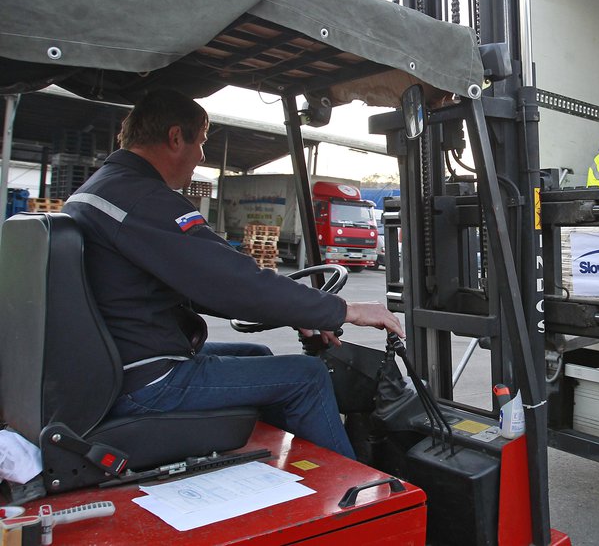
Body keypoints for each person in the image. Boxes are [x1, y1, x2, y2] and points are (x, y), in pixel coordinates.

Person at [63, 89, 404, 459]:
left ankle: (290, 471)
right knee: (308, 376)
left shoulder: (101, 191)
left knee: (255, 353)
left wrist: (302, 309)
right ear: (176, 137)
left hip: (120, 363)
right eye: (202, 143)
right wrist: (343, 310)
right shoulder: (142, 201)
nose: (202, 157)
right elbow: (230, 281)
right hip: (148, 379)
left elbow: (202, 285)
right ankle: (352, 495)